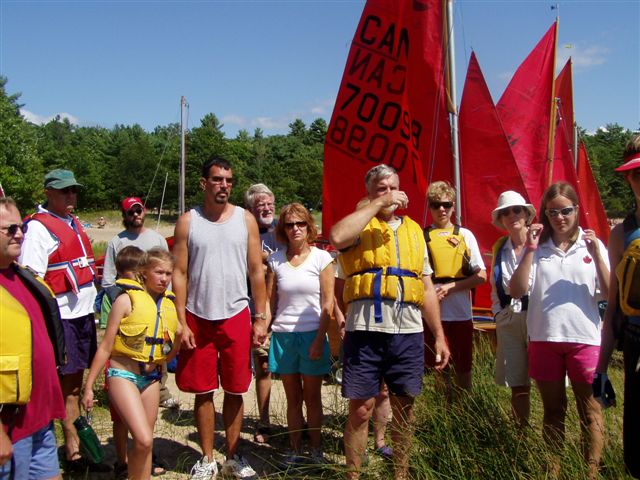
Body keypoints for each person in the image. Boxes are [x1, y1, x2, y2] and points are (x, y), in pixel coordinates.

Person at [329, 164, 450, 480]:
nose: (389, 194)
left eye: (393, 187)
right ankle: (353, 476)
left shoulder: (413, 231)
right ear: (369, 193)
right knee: (360, 410)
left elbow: (425, 286)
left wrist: (438, 335)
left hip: (407, 331)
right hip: (365, 330)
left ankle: (401, 474)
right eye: (381, 188)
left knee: (404, 410)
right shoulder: (359, 227)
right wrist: (376, 205)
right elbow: (337, 236)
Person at [173, 156, 268, 479]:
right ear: (203, 183)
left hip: (236, 314)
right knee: (202, 390)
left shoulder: (245, 220)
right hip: (198, 316)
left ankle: (233, 455)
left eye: (228, 180)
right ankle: (207, 458)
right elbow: (180, 272)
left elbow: (257, 271)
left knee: (236, 388)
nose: (224, 185)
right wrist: (180, 320)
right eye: (217, 179)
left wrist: (261, 316)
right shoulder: (189, 221)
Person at [510, 181, 609, 478]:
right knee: (553, 412)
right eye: (553, 212)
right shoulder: (537, 249)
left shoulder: (592, 244)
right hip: (544, 338)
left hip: (586, 340)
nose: (560, 218)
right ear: (544, 213)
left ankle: (590, 472)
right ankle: (552, 471)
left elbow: (608, 292)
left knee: (591, 412)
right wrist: (529, 248)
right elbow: (516, 291)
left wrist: (597, 253)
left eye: (566, 211)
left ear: (577, 210)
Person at [18, 169, 108, 473]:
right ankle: (73, 453)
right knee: (66, 386)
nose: (71, 196)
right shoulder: (38, 229)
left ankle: (78, 445)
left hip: (83, 315)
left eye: (74, 191)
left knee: (76, 382)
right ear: (48, 193)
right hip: (62, 318)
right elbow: (32, 280)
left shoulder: (73, 222)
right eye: (64, 191)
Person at [82, 247, 180, 480]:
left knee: (144, 443)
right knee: (144, 438)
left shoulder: (168, 305)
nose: (164, 278)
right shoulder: (125, 300)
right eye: (159, 272)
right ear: (143, 272)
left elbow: (173, 345)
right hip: (123, 374)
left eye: (168, 273)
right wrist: (89, 386)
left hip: (151, 378)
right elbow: (105, 346)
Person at [0, 197, 66, 480]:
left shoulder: (24, 278)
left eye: (21, 227)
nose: (20, 234)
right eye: (9, 229)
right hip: (10, 429)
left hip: (40, 421)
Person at [265, 203, 333, 466]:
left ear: (309, 226)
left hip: (312, 334)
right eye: (290, 224)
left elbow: (328, 304)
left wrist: (319, 340)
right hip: (283, 337)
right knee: (293, 399)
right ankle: (294, 449)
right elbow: (271, 304)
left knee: (313, 398)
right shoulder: (275, 259)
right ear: (283, 228)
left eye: (300, 223)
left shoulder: (322, 258)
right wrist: (263, 328)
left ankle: (316, 451)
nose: (295, 229)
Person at [100, 196, 178, 411]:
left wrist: (167, 301)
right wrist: (127, 302)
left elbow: (166, 272)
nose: (136, 215)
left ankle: (160, 390)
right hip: (130, 309)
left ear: (144, 211)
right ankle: (124, 390)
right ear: (124, 216)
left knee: (159, 346)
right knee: (129, 349)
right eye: (131, 212)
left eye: (139, 210)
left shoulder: (157, 239)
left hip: (158, 305)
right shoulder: (117, 242)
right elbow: (108, 280)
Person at [595, 134, 640, 478]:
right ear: (627, 178)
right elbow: (612, 308)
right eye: (637, 174)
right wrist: (600, 369)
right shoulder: (620, 234)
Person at [424, 181, 486, 396]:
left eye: (446, 204)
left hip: (460, 314)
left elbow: (481, 276)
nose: (442, 209)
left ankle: (464, 417)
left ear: (453, 207)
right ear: (429, 207)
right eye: (435, 205)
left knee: (463, 369)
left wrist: (451, 287)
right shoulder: (422, 237)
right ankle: (441, 421)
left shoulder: (465, 235)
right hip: (433, 316)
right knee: (439, 368)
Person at [489, 191, 537, 427]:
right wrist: (499, 314)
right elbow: (493, 284)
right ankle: (521, 436)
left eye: (516, 209)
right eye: (505, 212)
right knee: (517, 384)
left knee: (550, 382)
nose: (511, 215)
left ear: (526, 214)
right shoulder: (500, 247)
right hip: (509, 318)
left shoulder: (542, 243)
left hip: (538, 318)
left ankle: (553, 444)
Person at [244, 184, 282, 444]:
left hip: (288, 306)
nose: (266, 209)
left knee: (294, 369)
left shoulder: (286, 228)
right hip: (256, 307)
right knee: (264, 366)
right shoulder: (244, 231)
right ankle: (265, 421)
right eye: (260, 206)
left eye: (269, 204)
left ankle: (296, 422)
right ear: (250, 209)